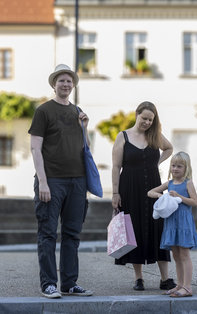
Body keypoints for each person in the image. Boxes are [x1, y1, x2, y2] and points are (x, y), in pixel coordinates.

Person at [28, 64, 93, 298]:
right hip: (52, 181)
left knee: (72, 234)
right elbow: (35, 149)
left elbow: (84, 147)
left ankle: (69, 283)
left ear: (73, 85)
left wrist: (84, 127)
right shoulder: (43, 111)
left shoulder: (77, 111)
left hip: (77, 181)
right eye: (61, 80)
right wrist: (43, 182)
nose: (65, 84)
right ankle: (48, 284)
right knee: (47, 233)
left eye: (69, 81)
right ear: (54, 84)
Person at [111, 101, 176, 291]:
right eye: (144, 118)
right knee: (134, 229)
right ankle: (138, 278)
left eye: (150, 119)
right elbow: (115, 167)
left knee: (158, 228)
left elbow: (169, 148)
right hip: (129, 187)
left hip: (154, 188)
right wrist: (115, 193)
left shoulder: (154, 136)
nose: (147, 122)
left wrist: (157, 161)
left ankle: (165, 278)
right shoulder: (123, 137)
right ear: (136, 114)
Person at [148, 151, 197, 297]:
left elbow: (195, 202)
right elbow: (150, 192)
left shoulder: (188, 183)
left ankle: (188, 287)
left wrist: (179, 197)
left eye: (179, 166)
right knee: (176, 255)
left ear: (186, 168)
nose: (175, 169)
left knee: (184, 254)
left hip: (183, 222)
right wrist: (162, 196)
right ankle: (180, 284)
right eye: (173, 165)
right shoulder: (169, 184)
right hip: (171, 222)